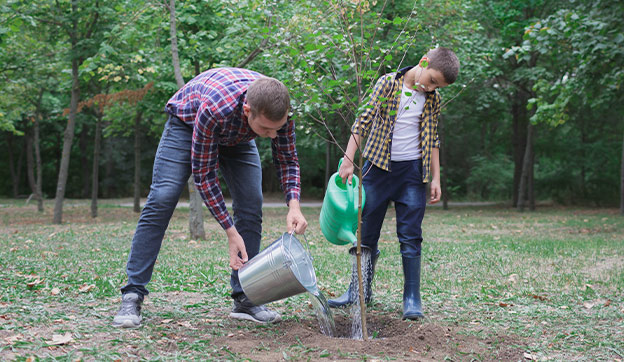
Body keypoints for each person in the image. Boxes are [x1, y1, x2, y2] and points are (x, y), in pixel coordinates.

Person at [113, 68, 308, 328]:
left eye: (278, 128)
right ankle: (133, 293)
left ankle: (245, 298)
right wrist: (229, 231)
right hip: (188, 123)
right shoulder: (215, 109)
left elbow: (287, 159)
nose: (273, 135)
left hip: (238, 136)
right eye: (266, 129)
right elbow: (204, 176)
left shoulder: (279, 113)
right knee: (162, 198)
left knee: (251, 203)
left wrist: (294, 206)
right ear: (248, 110)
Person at [327, 48, 460, 320]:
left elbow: (433, 137)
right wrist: (348, 158)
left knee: (411, 236)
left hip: (412, 174)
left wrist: (436, 177)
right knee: (365, 231)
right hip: (377, 170)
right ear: (423, 63)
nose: (431, 88)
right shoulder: (388, 84)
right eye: (432, 80)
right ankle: (358, 290)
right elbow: (362, 120)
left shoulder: (432, 99)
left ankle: (412, 298)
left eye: (438, 86)